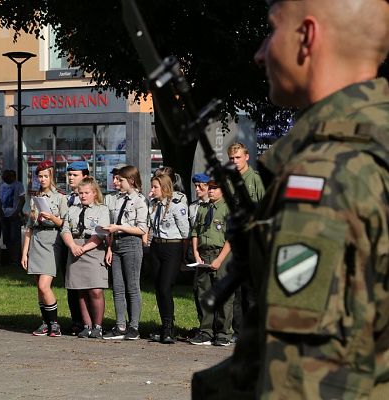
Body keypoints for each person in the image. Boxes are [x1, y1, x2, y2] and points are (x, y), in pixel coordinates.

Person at [193, 1, 389, 398]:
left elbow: (297, 378)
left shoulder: (323, 176)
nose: (260, 52)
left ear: (307, 36)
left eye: (272, 30)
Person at [21, 161, 67, 337]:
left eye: (45, 176)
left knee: (44, 285)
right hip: (36, 241)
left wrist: (52, 218)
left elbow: (65, 223)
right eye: (39, 176)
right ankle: (45, 322)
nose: (42, 179)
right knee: (39, 287)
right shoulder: (35, 198)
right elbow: (29, 227)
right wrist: (24, 252)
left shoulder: (60, 197)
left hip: (52, 240)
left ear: (51, 177)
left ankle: (55, 323)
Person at [103, 165, 148, 341]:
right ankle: (120, 325)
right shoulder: (117, 199)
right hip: (116, 244)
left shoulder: (140, 200)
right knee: (118, 287)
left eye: (120, 180)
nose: (117, 182)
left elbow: (142, 229)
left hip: (131, 243)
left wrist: (119, 227)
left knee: (132, 286)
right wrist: (109, 246)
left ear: (131, 180)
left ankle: (134, 326)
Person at [61, 177, 110, 338]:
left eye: (86, 193)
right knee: (80, 290)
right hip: (75, 247)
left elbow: (101, 233)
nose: (83, 196)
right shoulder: (73, 209)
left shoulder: (101, 209)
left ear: (94, 193)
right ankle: (86, 325)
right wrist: (73, 246)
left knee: (95, 290)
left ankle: (98, 325)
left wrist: (84, 248)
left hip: (93, 248)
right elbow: (65, 230)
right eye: (80, 193)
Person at [227, 142, 266, 343]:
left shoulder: (256, 180)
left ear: (247, 157)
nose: (234, 162)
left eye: (238, 158)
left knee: (250, 290)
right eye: (232, 159)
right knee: (236, 289)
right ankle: (238, 330)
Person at [188, 175, 233, 347]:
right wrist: (196, 254)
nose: (211, 191)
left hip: (222, 254)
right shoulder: (203, 208)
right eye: (210, 188)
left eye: (215, 188)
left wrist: (220, 260)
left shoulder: (228, 209)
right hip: (204, 254)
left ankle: (223, 332)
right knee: (203, 293)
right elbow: (195, 232)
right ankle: (206, 331)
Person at [147, 173, 189, 344]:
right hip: (157, 245)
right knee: (158, 287)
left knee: (165, 287)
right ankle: (165, 323)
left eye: (155, 187)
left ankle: (168, 328)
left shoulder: (176, 205)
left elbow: (185, 231)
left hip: (172, 246)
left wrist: (184, 254)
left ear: (164, 188)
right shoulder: (153, 204)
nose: (152, 190)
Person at [61, 161, 90, 334]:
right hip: (68, 244)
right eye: (69, 174)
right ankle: (76, 321)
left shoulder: (89, 196)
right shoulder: (66, 197)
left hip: (85, 244)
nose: (71, 178)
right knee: (71, 284)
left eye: (75, 175)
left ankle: (90, 322)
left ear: (85, 176)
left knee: (87, 285)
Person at [0, 170, 25, 265]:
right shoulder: (2, 186)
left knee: (14, 237)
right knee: (6, 238)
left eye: (6, 177)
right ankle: (10, 257)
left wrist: (17, 211)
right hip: (4, 215)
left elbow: (22, 199)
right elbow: (0, 200)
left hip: (14, 215)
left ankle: (16, 259)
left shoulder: (18, 185)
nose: (4, 179)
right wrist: (0, 211)